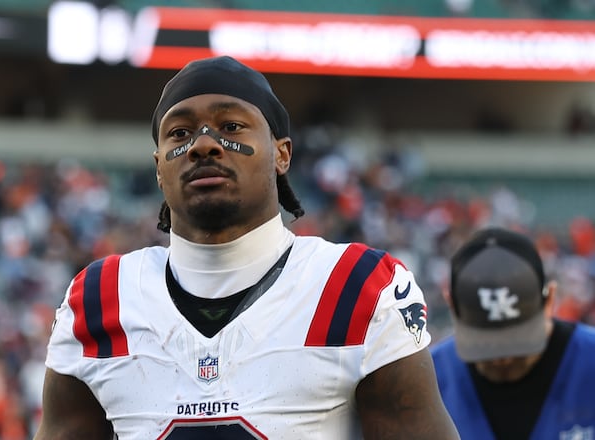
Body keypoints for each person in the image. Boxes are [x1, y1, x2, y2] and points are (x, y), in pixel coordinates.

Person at [35, 55, 459, 439]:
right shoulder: (97, 298)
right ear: (159, 168)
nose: (203, 144)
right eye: (180, 133)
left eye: (231, 127)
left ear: (281, 154)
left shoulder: (357, 286)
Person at [431, 227, 595, 440]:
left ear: (550, 301)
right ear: (452, 306)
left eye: (518, 339)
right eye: (485, 343)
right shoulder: (430, 381)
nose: (502, 358)